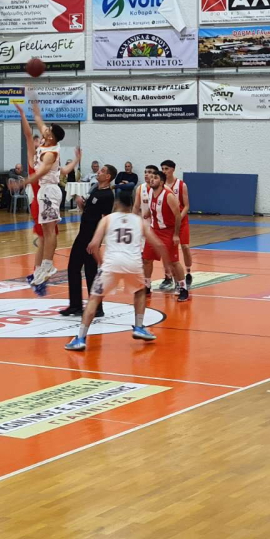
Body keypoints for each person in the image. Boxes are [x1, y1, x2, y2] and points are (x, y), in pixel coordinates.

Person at [65, 189, 170, 351]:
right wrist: (167, 266)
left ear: (117, 203)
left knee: (94, 299)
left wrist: (101, 263)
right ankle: (139, 326)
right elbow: (158, 244)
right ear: (131, 205)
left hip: (112, 263)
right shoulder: (139, 221)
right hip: (133, 263)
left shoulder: (107, 219)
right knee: (140, 292)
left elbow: (93, 246)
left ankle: (80, 338)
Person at [61, 164, 116, 317]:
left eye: (102, 171)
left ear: (108, 177)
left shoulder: (108, 195)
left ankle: (96, 308)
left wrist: (97, 241)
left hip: (91, 238)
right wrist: (81, 203)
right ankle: (76, 305)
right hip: (83, 234)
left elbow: (105, 220)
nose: (99, 172)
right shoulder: (95, 189)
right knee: (74, 268)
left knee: (90, 271)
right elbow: (90, 210)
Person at [23, 98, 65, 293]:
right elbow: (38, 117)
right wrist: (32, 98)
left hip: (49, 190)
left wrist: (23, 182)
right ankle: (44, 266)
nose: (45, 129)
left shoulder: (50, 153)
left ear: (51, 136)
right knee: (46, 230)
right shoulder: (46, 141)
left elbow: (41, 172)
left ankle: (48, 264)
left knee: (49, 231)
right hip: (44, 191)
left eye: (48, 129)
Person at [143, 170, 189, 302]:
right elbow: (153, 207)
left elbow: (178, 216)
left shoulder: (168, 196)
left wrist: (176, 235)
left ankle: (183, 288)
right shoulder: (150, 192)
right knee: (146, 259)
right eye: (151, 177)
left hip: (168, 231)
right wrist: (148, 213)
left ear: (162, 182)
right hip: (154, 231)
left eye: (155, 178)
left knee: (174, 262)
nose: (152, 179)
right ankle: (147, 286)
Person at [161, 159, 193, 296]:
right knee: (168, 251)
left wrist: (179, 217)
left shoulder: (181, 185)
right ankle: (169, 276)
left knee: (185, 246)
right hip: (168, 223)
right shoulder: (160, 186)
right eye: (162, 169)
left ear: (173, 169)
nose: (164, 171)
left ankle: (188, 272)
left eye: (166, 169)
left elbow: (186, 205)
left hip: (181, 220)